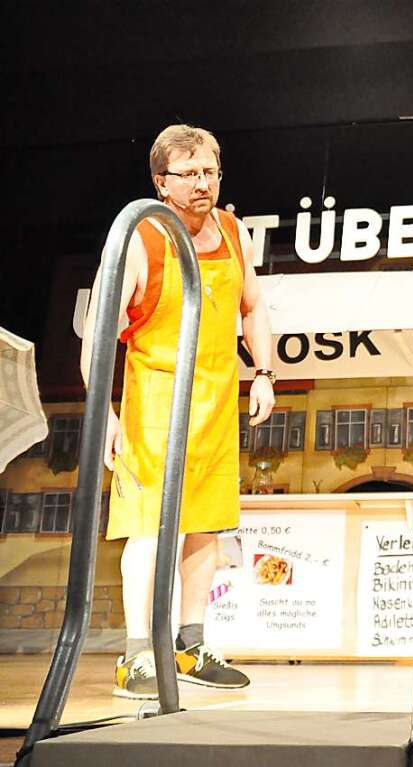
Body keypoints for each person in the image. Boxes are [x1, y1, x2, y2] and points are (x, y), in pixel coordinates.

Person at [80, 124, 275, 699]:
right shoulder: (143, 238)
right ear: (160, 182)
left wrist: (263, 372)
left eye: (210, 171)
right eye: (188, 173)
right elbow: (98, 334)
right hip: (155, 406)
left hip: (215, 405)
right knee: (147, 531)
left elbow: (255, 306)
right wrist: (105, 414)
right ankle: (137, 654)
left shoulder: (233, 230)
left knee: (205, 532)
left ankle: (191, 646)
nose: (202, 184)